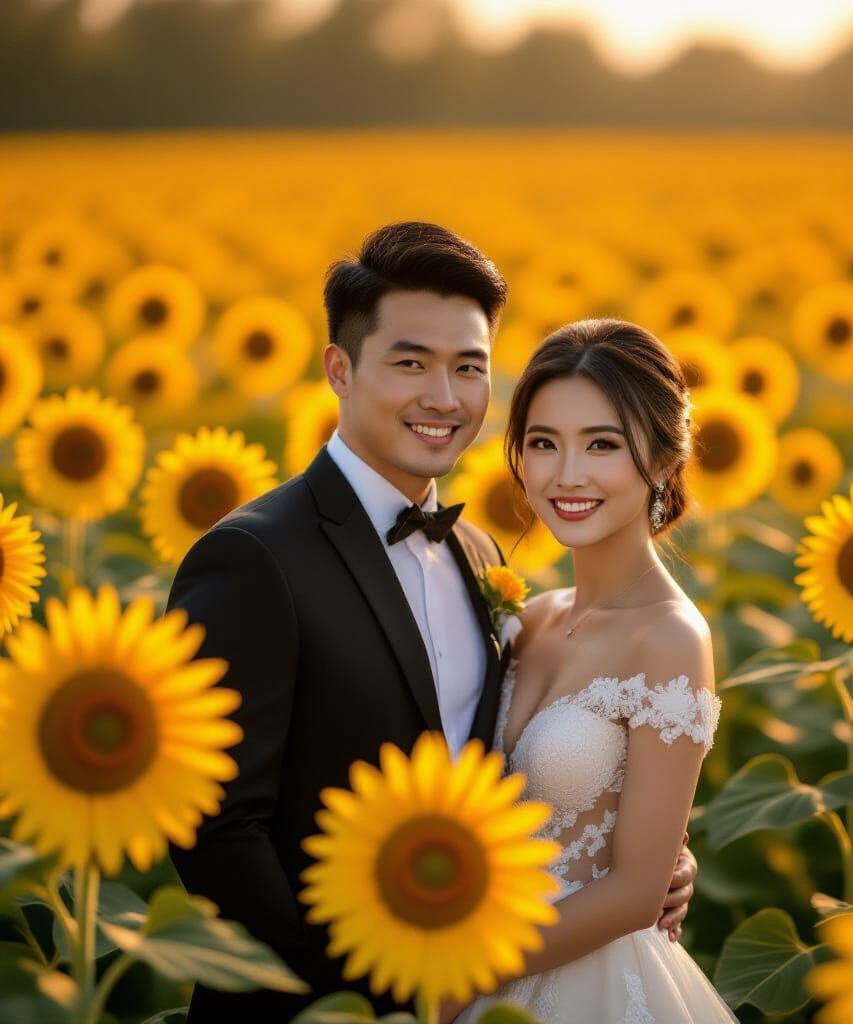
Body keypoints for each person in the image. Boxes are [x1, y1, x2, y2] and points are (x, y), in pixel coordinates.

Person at [165, 222, 697, 1022]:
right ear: (339, 371)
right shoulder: (251, 558)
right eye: (411, 362)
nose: (444, 398)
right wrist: (383, 986)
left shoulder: (481, 558)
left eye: (469, 368)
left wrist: (648, 855)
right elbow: (217, 832)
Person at [453, 319, 739, 1023]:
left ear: (665, 461)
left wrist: (456, 979)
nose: (567, 474)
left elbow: (639, 890)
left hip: (584, 983)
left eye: (602, 445)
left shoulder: (671, 638)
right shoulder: (529, 617)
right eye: (544, 443)